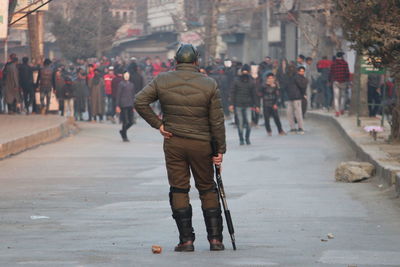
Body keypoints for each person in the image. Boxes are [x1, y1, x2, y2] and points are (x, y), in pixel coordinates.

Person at [134, 44, 226, 252]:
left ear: (176, 61)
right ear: (196, 61)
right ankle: (215, 240)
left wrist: (158, 124)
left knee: (178, 189)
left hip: (174, 142)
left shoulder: (162, 80)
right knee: (207, 188)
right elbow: (217, 121)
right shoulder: (209, 84)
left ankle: (186, 241)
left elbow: (140, 101)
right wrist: (219, 150)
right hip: (202, 144)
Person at [229, 64, 259, 145]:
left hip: (248, 105)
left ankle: (247, 138)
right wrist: (231, 104)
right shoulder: (236, 81)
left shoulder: (251, 81)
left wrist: (257, 105)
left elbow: (254, 94)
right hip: (238, 105)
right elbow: (232, 93)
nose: (245, 73)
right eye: (243, 71)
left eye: (246, 71)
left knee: (249, 122)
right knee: (240, 123)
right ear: (241, 72)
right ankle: (241, 139)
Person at [286, 66, 307, 134]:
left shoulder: (300, 78)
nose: (302, 72)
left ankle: (300, 127)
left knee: (297, 113)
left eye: (303, 71)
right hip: (290, 97)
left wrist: (303, 94)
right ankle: (293, 128)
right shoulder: (291, 78)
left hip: (297, 97)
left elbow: (302, 87)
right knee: (290, 113)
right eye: (300, 71)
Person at [116, 72, 135, 142]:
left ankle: (123, 131)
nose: (127, 76)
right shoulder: (121, 84)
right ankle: (125, 136)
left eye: (128, 75)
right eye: (125, 75)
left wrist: (134, 105)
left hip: (130, 104)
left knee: (131, 122)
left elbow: (133, 95)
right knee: (125, 121)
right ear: (123, 76)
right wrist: (117, 105)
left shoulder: (132, 84)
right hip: (123, 105)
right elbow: (118, 95)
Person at [330, 52, 350, 117]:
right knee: (343, 96)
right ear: (342, 56)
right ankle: (342, 109)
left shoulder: (333, 64)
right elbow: (347, 73)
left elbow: (331, 73)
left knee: (336, 97)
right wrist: (348, 81)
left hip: (336, 82)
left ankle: (337, 111)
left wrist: (330, 81)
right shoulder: (345, 63)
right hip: (343, 82)